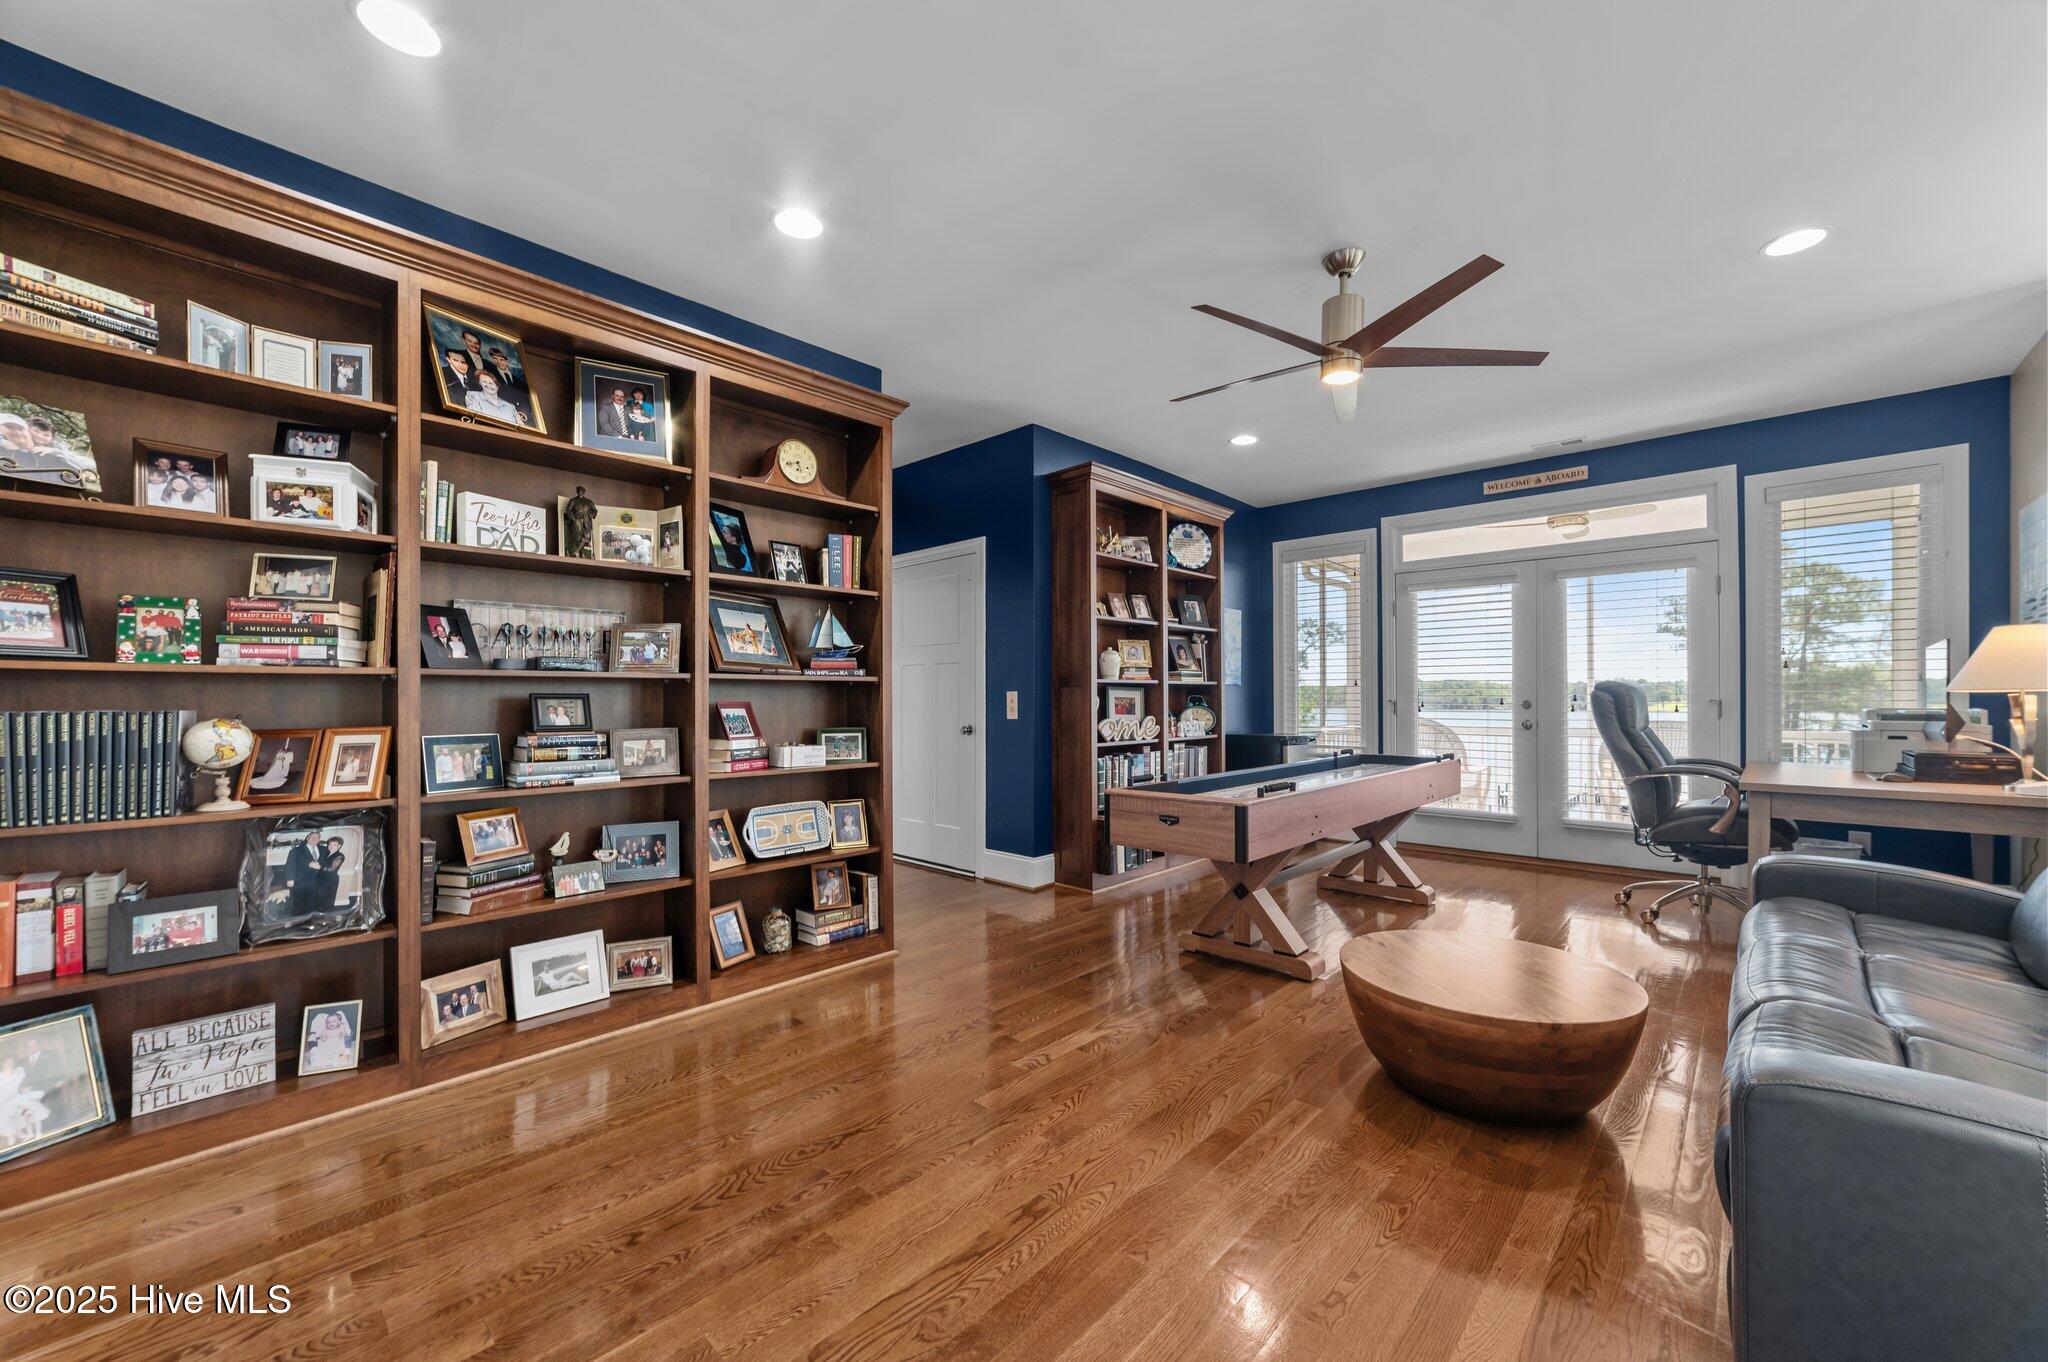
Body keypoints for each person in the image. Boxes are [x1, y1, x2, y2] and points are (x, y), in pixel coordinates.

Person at [0, 1054, 51, 1149]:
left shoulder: (17, 1073)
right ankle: (11, 1136)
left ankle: (26, 1133)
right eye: (7, 1062)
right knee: (6, 1115)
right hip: (3, 1100)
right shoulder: (1, 1075)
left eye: (11, 1062)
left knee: (24, 1112)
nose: (9, 1064)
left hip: (16, 1097)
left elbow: (24, 1081)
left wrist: (25, 1088)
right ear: (3, 1064)